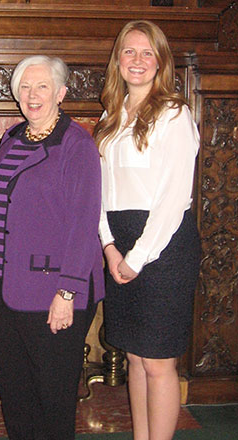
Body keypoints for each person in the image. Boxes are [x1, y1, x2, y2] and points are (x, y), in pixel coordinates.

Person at [0, 55, 104, 440]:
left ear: (61, 93)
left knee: (52, 400)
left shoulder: (77, 145)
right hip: (5, 285)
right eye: (24, 87)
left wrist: (67, 292)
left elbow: (84, 226)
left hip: (55, 290)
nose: (32, 95)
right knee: (16, 396)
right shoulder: (12, 137)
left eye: (42, 87)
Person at [95, 21, 201, 440]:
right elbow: (99, 194)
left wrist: (137, 257)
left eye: (146, 53)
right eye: (129, 52)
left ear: (161, 62)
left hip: (163, 246)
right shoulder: (109, 117)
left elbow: (174, 198)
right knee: (135, 359)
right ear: (117, 60)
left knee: (158, 362)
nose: (137, 61)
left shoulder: (175, 114)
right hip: (118, 241)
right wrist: (108, 247)